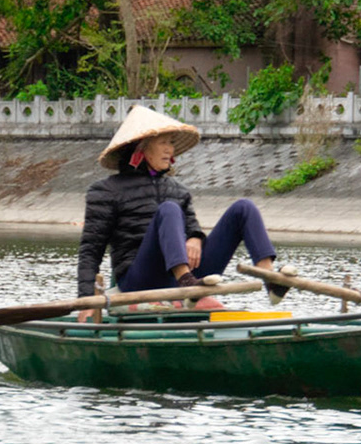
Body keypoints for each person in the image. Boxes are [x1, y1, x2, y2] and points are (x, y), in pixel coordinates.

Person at [76, 105, 286, 311]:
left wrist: (195, 237)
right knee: (169, 209)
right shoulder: (105, 191)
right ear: (141, 147)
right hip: (139, 279)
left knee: (244, 207)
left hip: (187, 275)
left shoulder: (178, 190)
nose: (170, 149)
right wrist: (85, 300)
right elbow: (91, 250)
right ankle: (186, 283)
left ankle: (271, 280)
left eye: (171, 143)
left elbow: (192, 226)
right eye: (163, 143)